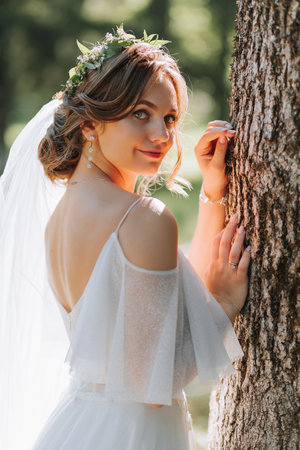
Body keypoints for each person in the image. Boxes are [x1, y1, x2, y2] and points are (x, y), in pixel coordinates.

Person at [0, 26, 250, 450]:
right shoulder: (142, 218)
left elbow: (159, 303)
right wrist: (225, 306)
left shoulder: (60, 217)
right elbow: (152, 383)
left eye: (169, 118)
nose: (163, 135)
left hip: (78, 424)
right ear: (91, 124)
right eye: (140, 113)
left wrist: (213, 193)